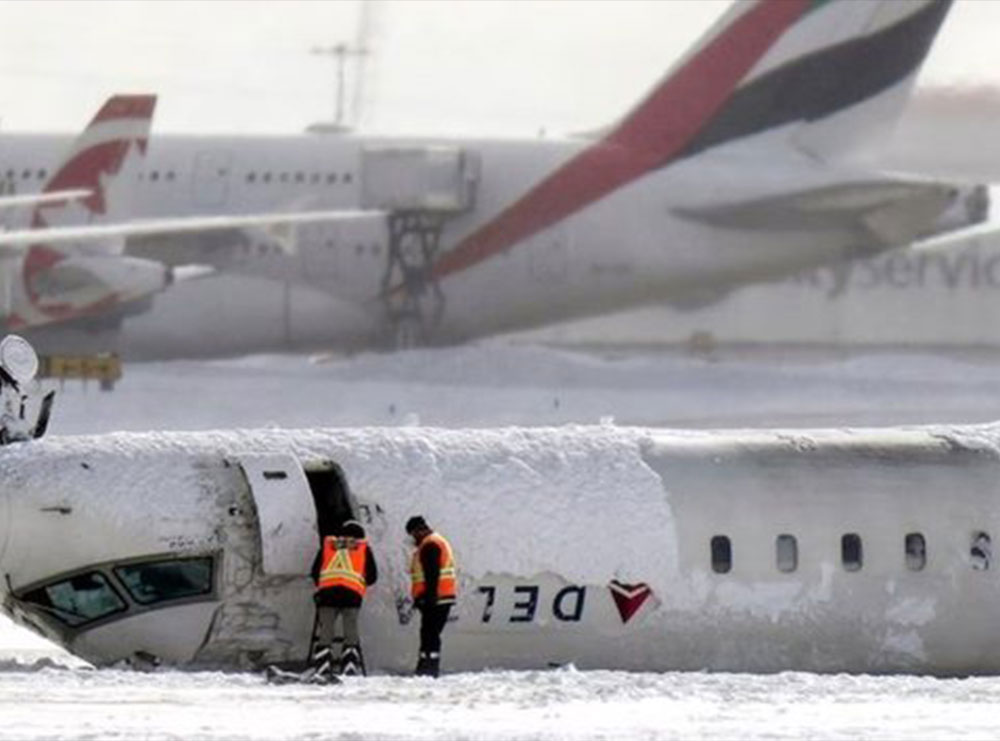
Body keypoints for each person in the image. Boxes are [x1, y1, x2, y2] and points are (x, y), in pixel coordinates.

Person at [310, 519, 378, 679]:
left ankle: (322, 666)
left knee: (326, 630)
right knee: (350, 630)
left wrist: (323, 583)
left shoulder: (328, 547)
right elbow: (373, 576)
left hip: (327, 594)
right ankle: (349, 666)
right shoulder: (363, 549)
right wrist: (359, 581)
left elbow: (314, 571)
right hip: (351, 595)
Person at [405, 515, 457, 678]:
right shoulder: (437, 541)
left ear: (419, 530)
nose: (413, 539)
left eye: (413, 534)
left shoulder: (430, 545)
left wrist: (428, 596)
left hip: (436, 598)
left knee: (430, 634)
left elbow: (431, 573)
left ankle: (429, 669)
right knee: (429, 633)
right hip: (442, 596)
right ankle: (426, 667)